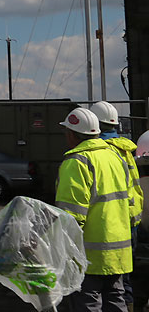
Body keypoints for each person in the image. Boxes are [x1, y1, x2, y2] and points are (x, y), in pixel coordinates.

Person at [57, 106, 133, 312]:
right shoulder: (116, 157)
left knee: (88, 303)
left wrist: (63, 251)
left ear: (72, 134)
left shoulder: (77, 161)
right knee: (116, 299)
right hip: (119, 253)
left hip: (90, 255)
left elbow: (71, 217)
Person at [91, 101, 143, 312]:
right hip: (130, 221)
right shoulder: (126, 149)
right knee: (123, 280)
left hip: (110, 224)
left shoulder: (100, 151)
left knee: (102, 283)